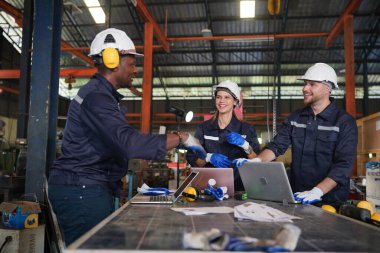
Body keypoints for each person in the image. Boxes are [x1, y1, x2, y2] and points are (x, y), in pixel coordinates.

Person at [47, 28, 206, 245]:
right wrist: (182, 138)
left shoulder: (103, 97)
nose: (135, 69)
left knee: (108, 244)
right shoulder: (97, 98)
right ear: (112, 59)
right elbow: (128, 143)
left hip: (87, 187)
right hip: (81, 190)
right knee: (94, 248)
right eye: (131, 63)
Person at [234, 63, 358, 205]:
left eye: (312, 84)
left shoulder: (344, 122)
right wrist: (257, 161)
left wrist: (318, 191)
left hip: (330, 200)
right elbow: (277, 146)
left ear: (327, 88)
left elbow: (344, 165)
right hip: (297, 196)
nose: (305, 88)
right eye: (305, 84)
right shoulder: (296, 118)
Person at [186, 80, 261, 191]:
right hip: (209, 188)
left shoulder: (246, 129)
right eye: (218, 97)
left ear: (235, 102)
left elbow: (257, 161)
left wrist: (245, 145)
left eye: (227, 97)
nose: (222, 101)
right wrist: (208, 157)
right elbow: (193, 159)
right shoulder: (203, 128)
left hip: (238, 189)